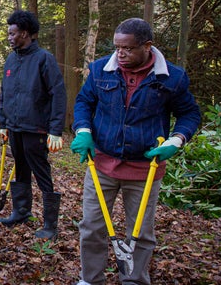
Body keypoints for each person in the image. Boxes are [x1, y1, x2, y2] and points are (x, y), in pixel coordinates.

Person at [70, 18, 201, 285]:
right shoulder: (99, 71)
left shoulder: (172, 78)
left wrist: (175, 141)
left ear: (147, 46)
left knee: (140, 232)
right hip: (102, 165)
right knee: (92, 227)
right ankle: (90, 279)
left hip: (145, 169)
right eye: (117, 48)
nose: (120, 54)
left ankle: (134, 280)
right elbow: (84, 102)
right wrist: (83, 130)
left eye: (128, 48)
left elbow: (189, 113)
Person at [0, 10, 67, 240]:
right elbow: (5, 93)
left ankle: (50, 224)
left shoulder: (44, 59)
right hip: (14, 127)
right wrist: (3, 122)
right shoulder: (11, 59)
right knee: (21, 169)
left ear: (25, 33)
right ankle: (21, 212)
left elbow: (58, 94)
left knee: (41, 172)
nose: (9, 37)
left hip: (35, 128)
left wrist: (55, 130)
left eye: (12, 33)